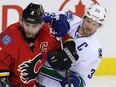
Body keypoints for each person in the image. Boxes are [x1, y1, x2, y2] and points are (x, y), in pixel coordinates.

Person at [0, 3, 78, 87]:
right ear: (22, 21)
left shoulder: (46, 32)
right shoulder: (9, 36)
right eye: (27, 24)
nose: (29, 30)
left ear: (41, 24)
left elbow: (65, 39)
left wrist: (70, 49)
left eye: (34, 26)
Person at [39, 3, 107, 87]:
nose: (89, 26)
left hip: (55, 83)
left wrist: (75, 81)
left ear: (99, 27)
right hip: (36, 73)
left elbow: (84, 78)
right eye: (88, 21)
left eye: (94, 24)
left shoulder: (94, 51)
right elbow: (39, 16)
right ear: (83, 18)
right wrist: (53, 19)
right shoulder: (69, 19)